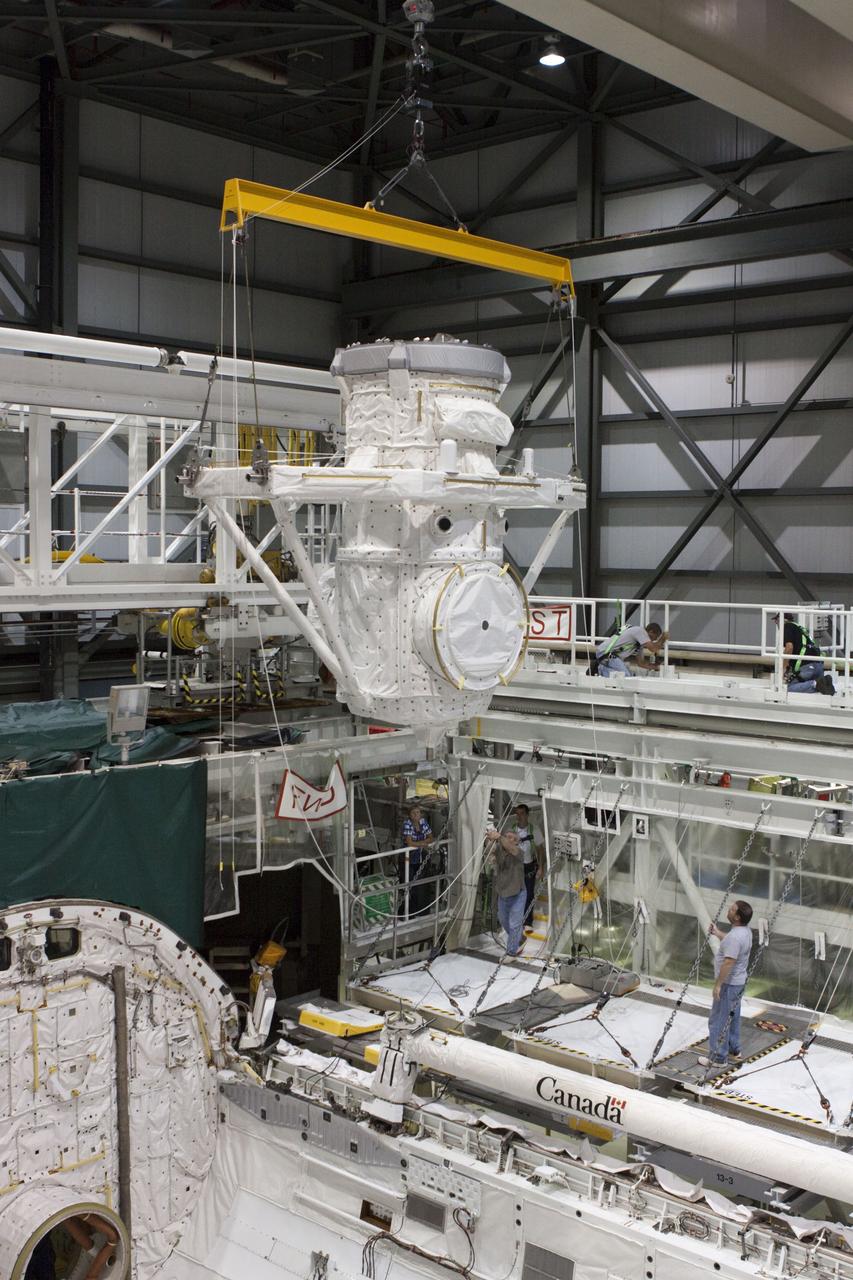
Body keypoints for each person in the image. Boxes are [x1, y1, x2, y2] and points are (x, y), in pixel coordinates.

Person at [698, 899, 754, 1067]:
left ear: (736, 917)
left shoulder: (735, 937)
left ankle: (718, 1058)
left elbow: (728, 962)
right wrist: (717, 933)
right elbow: (731, 941)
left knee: (718, 1020)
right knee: (733, 1016)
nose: (728, 911)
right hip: (738, 983)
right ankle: (734, 1048)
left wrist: (718, 985)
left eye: (731, 910)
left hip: (729, 985)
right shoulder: (745, 931)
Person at [485, 827, 527, 958]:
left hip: (517, 894)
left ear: (516, 842)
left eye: (513, 838)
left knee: (514, 923)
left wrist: (499, 837)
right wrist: (490, 838)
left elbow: (510, 847)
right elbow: (488, 852)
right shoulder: (499, 851)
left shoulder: (519, 852)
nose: (509, 839)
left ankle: (511, 953)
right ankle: (520, 938)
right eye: (507, 836)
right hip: (503, 893)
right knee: (503, 921)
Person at [773, 612, 835, 695]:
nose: (776, 623)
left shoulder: (787, 626)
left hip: (806, 666)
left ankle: (817, 684)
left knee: (789, 688)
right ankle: (822, 683)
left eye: (776, 621)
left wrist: (783, 667)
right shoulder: (800, 628)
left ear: (783, 620)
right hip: (818, 664)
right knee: (818, 687)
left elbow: (789, 647)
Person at [510, 803, 544, 929]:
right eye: (517, 814)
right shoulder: (512, 829)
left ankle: (528, 922)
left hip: (529, 866)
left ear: (527, 815)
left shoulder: (533, 830)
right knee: (515, 894)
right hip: (515, 867)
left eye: (522, 814)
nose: (519, 817)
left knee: (529, 894)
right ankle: (516, 921)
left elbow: (540, 849)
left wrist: (541, 867)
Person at [594, 621, 667, 676]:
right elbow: (653, 649)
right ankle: (600, 670)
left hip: (610, 656)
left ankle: (602, 668)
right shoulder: (640, 631)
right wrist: (663, 639)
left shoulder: (639, 644)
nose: (655, 640)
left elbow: (641, 663)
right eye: (656, 637)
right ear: (651, 632)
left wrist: (656, 667)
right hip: (607, 654)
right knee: (626, 676)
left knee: (628, 675)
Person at [400, 804, 433, 916]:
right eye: (414, 813)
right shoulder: (407, 824)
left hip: (419, 856)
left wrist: (419, 844)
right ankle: (408, 911)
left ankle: (421, 910)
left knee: (420, 884)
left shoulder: (423, 822)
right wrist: (422, 843)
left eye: (418, 812)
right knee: (408, 883)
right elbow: (409, 842)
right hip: (407, 857)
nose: (416, 815)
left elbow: (430, 837)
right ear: (410, 815)